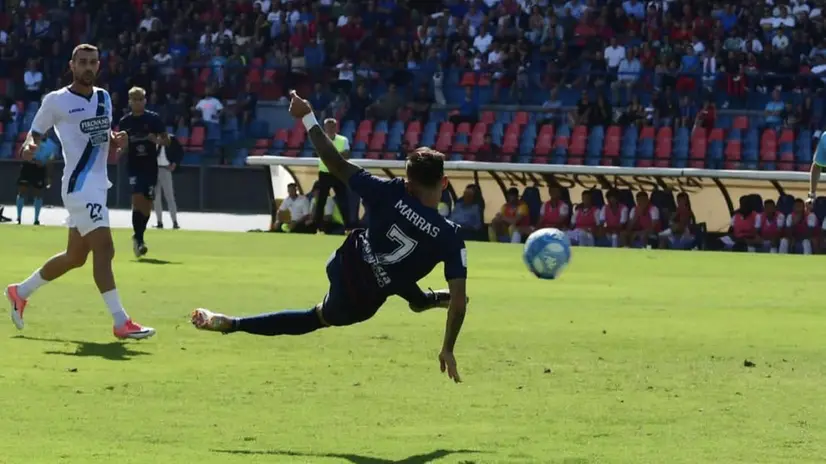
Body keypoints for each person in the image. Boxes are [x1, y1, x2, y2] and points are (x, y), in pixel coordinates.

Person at [191, 91, 468, 383]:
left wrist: (307, 115)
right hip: (365, 297)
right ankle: (234, 324)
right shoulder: (450, 236)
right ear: (444, 182)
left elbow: (335, 163)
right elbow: (460, 303)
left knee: (401, 288)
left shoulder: (390, 191)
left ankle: (425, 299)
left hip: (346, 263)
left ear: (408, 180)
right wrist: (447, 348)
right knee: (319, 317)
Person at [4, 44, 155, 339]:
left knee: (75, 257)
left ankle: (19, 292)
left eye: (93, 62)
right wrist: (29, 145)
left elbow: (101, 135)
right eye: (82, 62)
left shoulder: (103, 98)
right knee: (105, 248)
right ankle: (120, 321)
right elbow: (35, 132)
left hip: (99, 185)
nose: (87, 66)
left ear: (99, 66)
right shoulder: (56, 100)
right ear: (72, 65)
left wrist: (115, 140)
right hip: (79, 185)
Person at [118, 86, 169, 257]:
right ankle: (139, 241)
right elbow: (121, 143)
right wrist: (121, 150)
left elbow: (167, 140)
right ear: (130, 102)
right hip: (134, 165)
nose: (138, 103)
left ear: (145, 101)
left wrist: (157, 140)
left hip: (150, 165)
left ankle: (138, 237)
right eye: (135, 100)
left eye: (141, 99)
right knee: (137, 197)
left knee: (147, 205)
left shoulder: (153, 119)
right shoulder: (125, 121)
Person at [312, 118, 352, 232]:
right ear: (324, 128)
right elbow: (322, 153)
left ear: (336, 127)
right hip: (325, 173)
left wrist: (331, 156)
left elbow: (347, 154)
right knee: (321, 201)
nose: (330, 129)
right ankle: (317, 227)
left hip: (338, 173)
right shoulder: (320, 139)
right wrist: (337, 156)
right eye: (327, 127)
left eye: (332, 126)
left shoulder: (343, 140)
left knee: (342, 200)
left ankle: (348, 227)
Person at [15, 134, 57, 225]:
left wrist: (48, 176)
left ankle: (36, 219)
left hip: (40, 170)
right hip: (27, 167)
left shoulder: (52, 145)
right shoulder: (30, 140)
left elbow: (51, 162)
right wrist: (31, 159)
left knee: (38, 193)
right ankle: (18, 217)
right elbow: (21, 153)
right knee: (22, 191)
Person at [154, 134, 183, 229]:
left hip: (166, 169)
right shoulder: (153, 139)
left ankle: (175, 221)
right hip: (154, 170)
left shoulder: (172, 139)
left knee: (169, 196)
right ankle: (159, 222)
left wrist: (174, 163)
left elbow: (180, 152)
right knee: (156, 198)